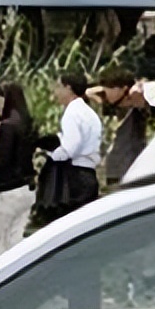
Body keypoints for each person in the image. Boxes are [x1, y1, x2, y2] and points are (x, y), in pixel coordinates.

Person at [36, 71, 103, 220]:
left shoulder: (72, 113)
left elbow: (70, 147)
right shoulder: (89, 112)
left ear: (68, 88)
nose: (56, 91)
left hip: (76, 176)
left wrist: (50, 155)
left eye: (59, 87)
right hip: (89, 173)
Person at [92, 67, 155, 188]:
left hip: (133, 168)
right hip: (116, 170)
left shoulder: (139, 106)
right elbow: (90, 93)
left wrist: (139, 88)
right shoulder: (117, 107)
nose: (106, 94)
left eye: (109, 89)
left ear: (121, 89)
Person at [0, 82, 36, 258]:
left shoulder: (7, 126)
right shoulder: (27, 123)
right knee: (16, 240)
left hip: (6, 190)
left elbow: (3, 159)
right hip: (26, 187)